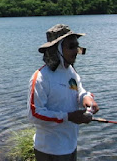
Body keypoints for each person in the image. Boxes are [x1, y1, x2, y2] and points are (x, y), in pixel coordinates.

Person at [27, 24, 99, 161]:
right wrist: (69, 117)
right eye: (71, 47)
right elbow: (34, 115)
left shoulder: (71, 72)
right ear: (57, 49)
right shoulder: (41, 78)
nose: (76, 51)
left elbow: (79, 91)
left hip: (71, 145)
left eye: (77, 46)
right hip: (50, 150)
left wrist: (87, 97)